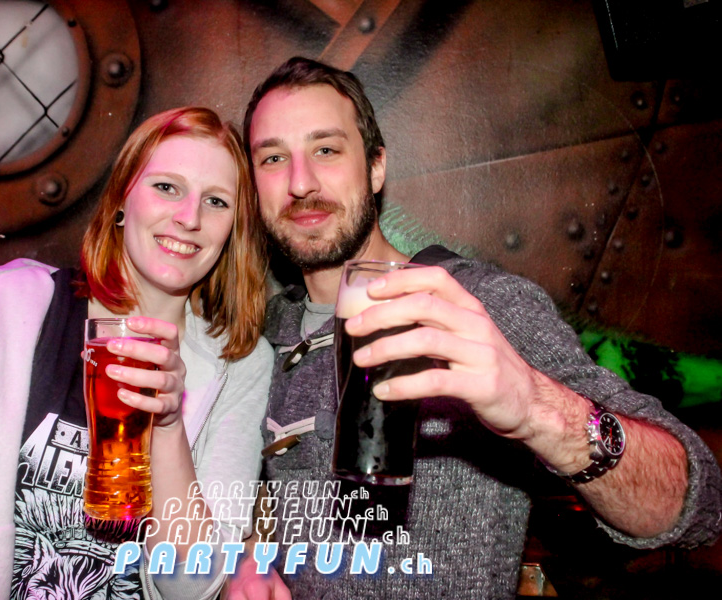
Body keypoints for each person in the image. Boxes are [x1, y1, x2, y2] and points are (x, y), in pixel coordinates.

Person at [225, 57, 722, 599]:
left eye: (326, 149)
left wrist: (538, 409)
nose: (300, 182)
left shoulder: (476, 305)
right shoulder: (262, 334)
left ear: (375, 167)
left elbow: (696, 505)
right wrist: (250, 555)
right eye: (273, 158)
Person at [0, 107, 273, 600]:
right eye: (167, 187)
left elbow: (192, 587)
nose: (190, 217)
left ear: (233, 229)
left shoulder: (241, 366)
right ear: (121, 199)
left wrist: (168, 426)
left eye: (216, 201)